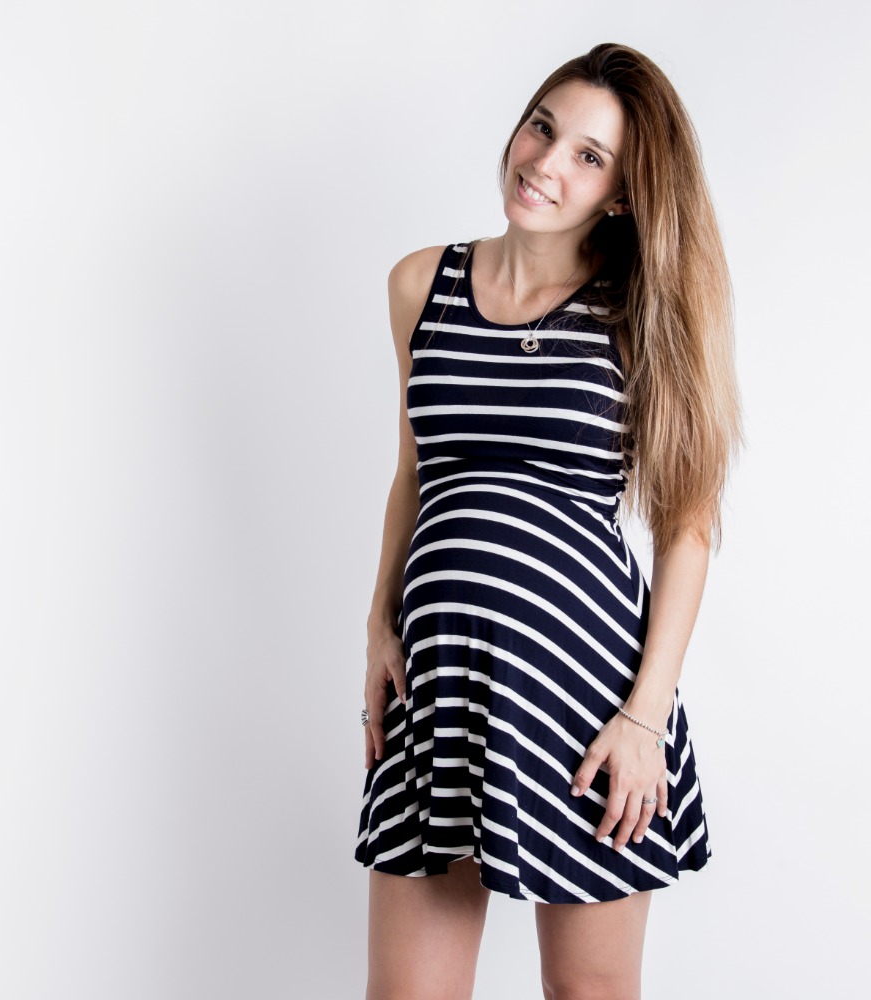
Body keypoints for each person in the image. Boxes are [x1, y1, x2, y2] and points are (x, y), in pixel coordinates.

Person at [353, 42, 744, 1000]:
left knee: (588, 993)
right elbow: (415, 470)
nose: (545, 163)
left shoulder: (643, 313)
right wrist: (378, 626)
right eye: (543, 127)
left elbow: (688, 524)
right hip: (440, 683)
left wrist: (645, 716)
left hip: (588, 701)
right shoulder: (420, 284)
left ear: (621, 194)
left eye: (588, 156)